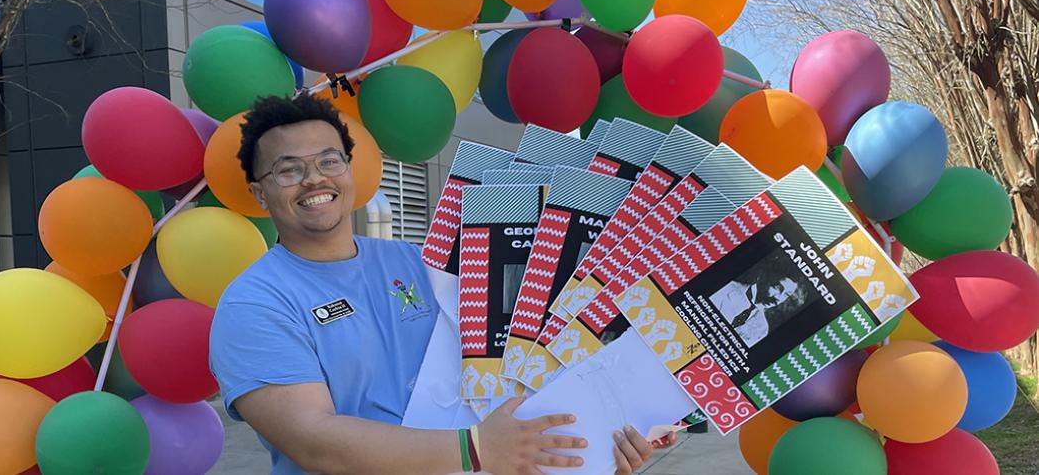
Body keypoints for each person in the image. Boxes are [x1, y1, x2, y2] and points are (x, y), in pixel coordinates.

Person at [209, 94, 673, 475]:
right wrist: (477, 449)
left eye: (329, 160)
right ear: (260, 193)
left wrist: (603, 433)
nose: (314, 179)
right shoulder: (255, 304)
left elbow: (515, 358)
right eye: (289, 169)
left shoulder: (416, 260)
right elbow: (314, 442)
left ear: (349, 169)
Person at [712, 276, 799, 347]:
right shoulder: (725, 288)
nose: (778, 298)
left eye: (786, 294)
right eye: (777, 287)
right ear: (764, 278)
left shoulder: (762, 329)